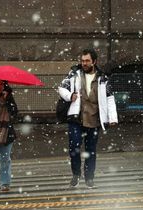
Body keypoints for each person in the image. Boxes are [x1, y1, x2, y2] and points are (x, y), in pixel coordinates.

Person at [58, 48, 118, 189]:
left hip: (94, 120)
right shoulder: (74, 74)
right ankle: (76, 174)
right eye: (83, 60)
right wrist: (69, 95)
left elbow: (110, 98)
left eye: (87, 61)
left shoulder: (103, 78)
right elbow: (61, 88)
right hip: (76, 119)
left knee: (91, 151)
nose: (84, 63)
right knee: (74, 148)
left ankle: (89, 178)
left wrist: (113, 117)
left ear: (94, 62)